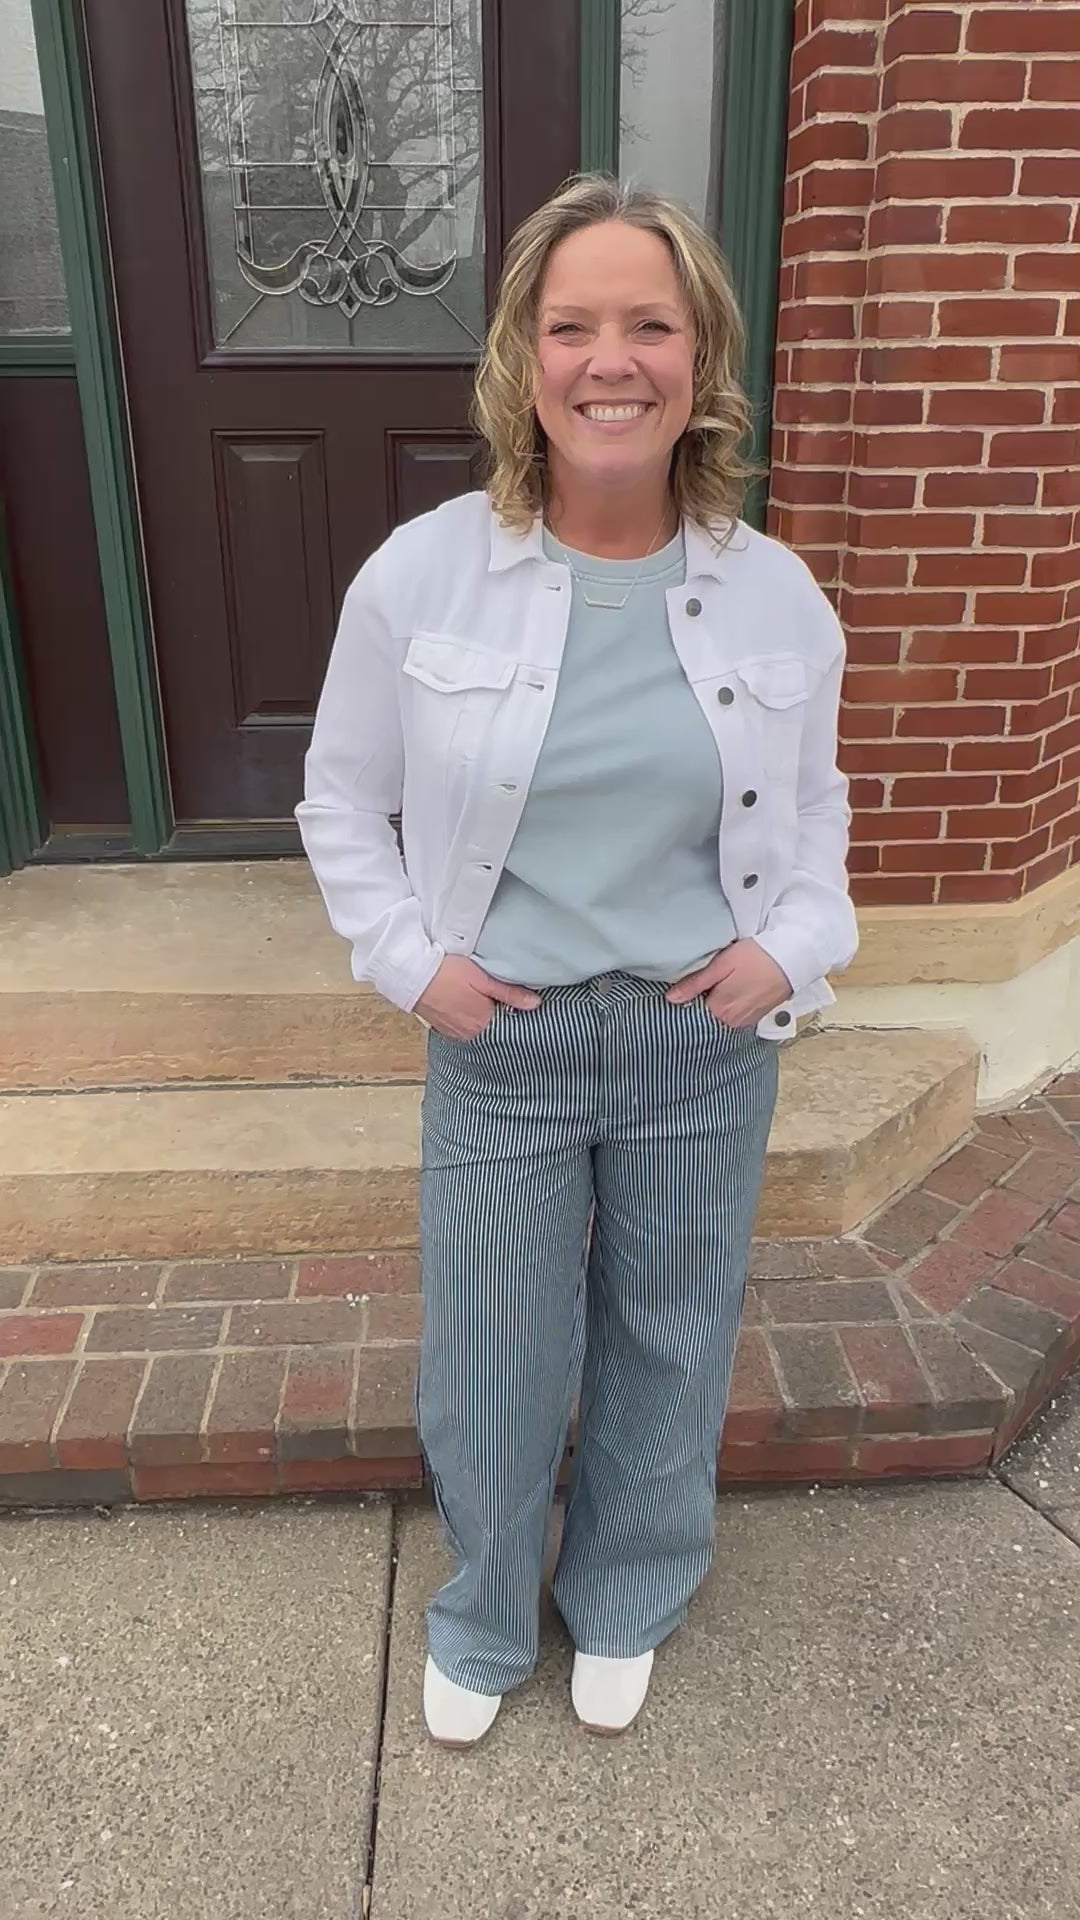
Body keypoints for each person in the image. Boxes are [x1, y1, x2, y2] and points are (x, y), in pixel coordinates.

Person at [297, 173, 857, 1750]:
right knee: (494, 1349)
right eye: (572, 326)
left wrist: (790, 952)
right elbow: (339, 797)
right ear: (522, 359)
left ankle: (628, 1589)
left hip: (698, 1042)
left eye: (650, 325)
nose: (612, 360)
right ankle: (485, 1608)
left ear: (701, 358)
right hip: (507, 1042)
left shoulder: (773, 590)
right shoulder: (423, 576)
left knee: (671, 1335)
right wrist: (413, 967)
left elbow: (817, 807)